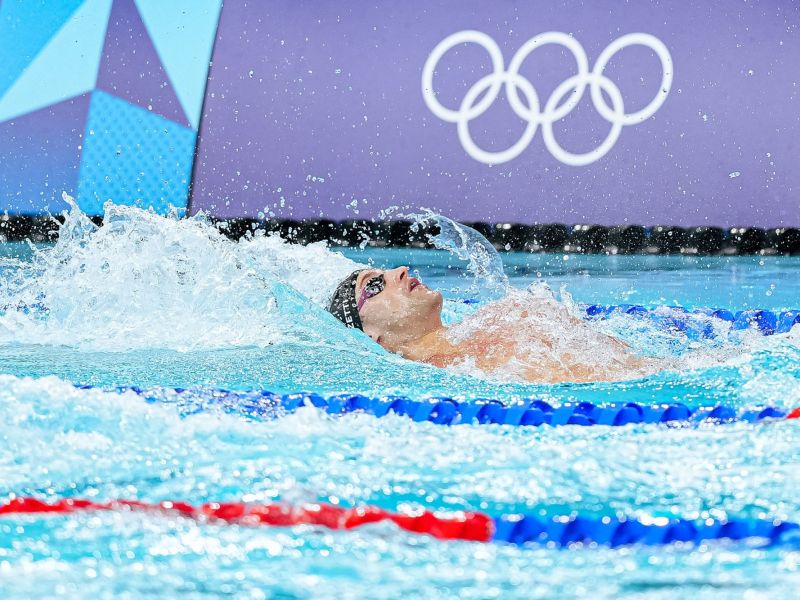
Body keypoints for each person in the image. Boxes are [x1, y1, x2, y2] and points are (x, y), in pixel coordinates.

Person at [328, 266, 662, 384]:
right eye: (373, 286)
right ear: (372, 338)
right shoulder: (448, 374)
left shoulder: (494, 317)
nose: (398, 271)